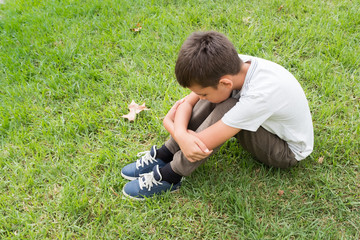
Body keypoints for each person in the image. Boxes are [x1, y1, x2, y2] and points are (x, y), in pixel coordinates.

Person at [121, 31, 314, 200]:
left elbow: (199, 145)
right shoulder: (229, 66)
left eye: (202, 93)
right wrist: (179, 133)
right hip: (263, 122)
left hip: (286, 151)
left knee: (228, 105)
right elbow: (188, 102)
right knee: (217, 98)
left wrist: (170, 124)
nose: (200, 97)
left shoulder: (259, 96)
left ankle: (171, 175)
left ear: (226, 83)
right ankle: (167, 152)